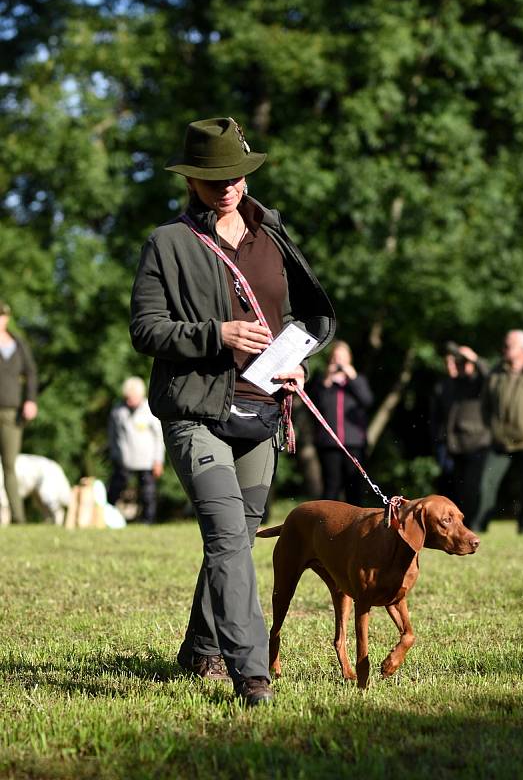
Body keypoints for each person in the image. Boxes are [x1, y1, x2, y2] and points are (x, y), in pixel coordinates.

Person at [130, 116, 335, 706]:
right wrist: (215, 333)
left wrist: (297, 358)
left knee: (236, 543)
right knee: (225, 537)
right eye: (212, 177)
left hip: (262, 411)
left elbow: (297, 317)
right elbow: (146, 330)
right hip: (195, 411)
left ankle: (200, 649)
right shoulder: (166, 243)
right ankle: (251, 674)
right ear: (191, 180)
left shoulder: (272, 235)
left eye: (236, 175)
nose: (226, 187)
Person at [471, 330, 523, 534]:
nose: (504, 349)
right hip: (500, 442)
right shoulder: (496, 373)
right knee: (485, 484)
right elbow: (485, 405)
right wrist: (493, 428)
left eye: (509, 346)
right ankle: (479, 527)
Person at [429, 343, 491, 526]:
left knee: (473, 487)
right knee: (457, 488)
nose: (460, 365)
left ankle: (475, 523)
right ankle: (459, 523)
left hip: (476, 443)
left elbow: (490, 376)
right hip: (454, 445)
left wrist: (474, 358)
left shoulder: (478, 384)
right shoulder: (450, 385)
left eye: (464, 363)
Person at [308, 340, 373, 504]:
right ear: (330, 360)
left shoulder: (358, 381)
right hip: (329, 443)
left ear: (349, 359)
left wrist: (353, 378)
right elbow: (316, 405)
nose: (339, 362)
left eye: (343, 358)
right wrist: (327, 381)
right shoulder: (323, 383)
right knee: (331, 486)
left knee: (355, 487)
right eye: (336, 358)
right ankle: (327, 525)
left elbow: (367, 401)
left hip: (354, 442)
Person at [107, 376, 165, 524]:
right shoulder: (118, 411)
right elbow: (112, 435)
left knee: (148, 495)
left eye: (131, 398)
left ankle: (148, 522)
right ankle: (107, 518)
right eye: (126, 398)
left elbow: (159, 437)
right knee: (114, 491)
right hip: (124, 461)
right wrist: (114, 455)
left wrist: (158, 460)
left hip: (146, 462)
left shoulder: (150, 410)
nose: (128, 401)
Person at [0, 301, 38, 524]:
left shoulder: (18, 344)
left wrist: (30, 400)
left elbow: (31, 373)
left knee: (9, 465)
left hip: (11, 412)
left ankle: (18, 518)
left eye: (3, 316)